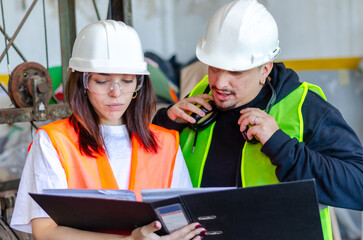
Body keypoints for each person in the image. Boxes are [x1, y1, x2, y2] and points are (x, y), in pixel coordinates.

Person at [152, 1, 363, 239]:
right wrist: (164, 123)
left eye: (236, 72)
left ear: (265, 69)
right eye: (214, 67)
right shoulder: (199, 97)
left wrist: (284, 148)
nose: (220, 83)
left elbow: (358, 185)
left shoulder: (305, 107)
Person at [10, 20, 205, 240]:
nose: (116, 92)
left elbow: (182, 223)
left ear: (139, 83)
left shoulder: (165, 143)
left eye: (127, 80)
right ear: (81, 82)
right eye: (102, 81)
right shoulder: (53, 142)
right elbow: (45, 232)